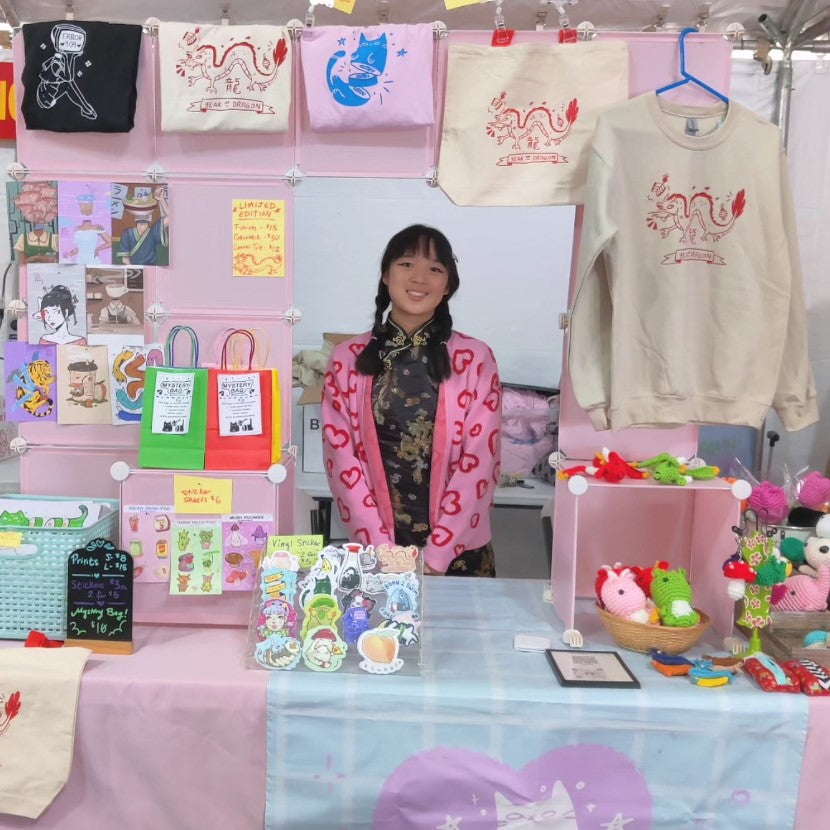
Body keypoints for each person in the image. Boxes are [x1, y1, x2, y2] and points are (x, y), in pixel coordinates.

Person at [322, 224, 501, 577]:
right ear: (385, 275)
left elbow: (480, 460)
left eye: (435, 269)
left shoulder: (475, 358)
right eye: (406, 264)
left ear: (447, 285)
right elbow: (342, 462)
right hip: (378, 557)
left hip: (458, 557)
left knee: (459, 634)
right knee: (379, 636)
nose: (420, 278)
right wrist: (385, 553)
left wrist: (436, 557)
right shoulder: (348, 358)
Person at [116, 186, 170, 266]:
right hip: (134, 270)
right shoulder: (127, 234)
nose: (143, 225)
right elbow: (125, 259)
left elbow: (172, 217)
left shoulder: (153, 232)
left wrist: (161, 199)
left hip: (151, 268)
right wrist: (135, 272)